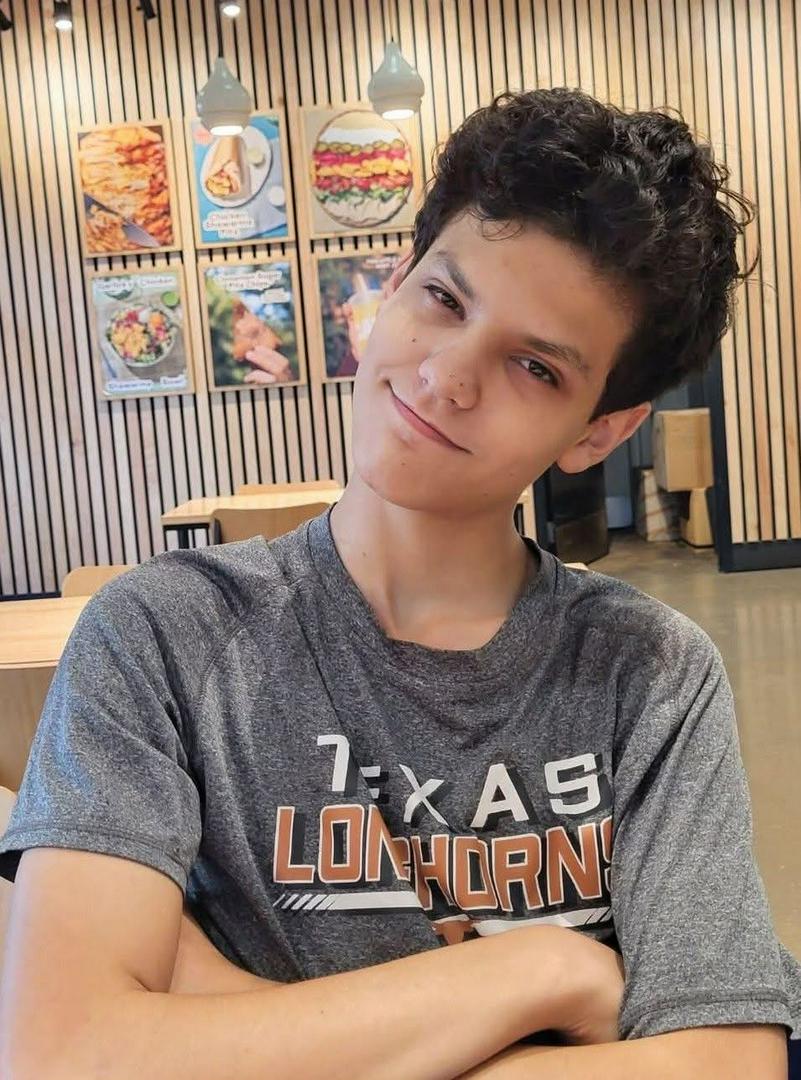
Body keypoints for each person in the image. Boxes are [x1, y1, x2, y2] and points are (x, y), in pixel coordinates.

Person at [1, 88, 799, 1079]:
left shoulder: (648, 674)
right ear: (395, 282)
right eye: (444, 301)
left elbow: (727, 1065)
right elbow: (66, 1054)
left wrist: (222, 1021)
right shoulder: (165, 636)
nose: (448, 378)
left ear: (600, 430)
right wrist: (540, 974)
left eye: (535, 369)